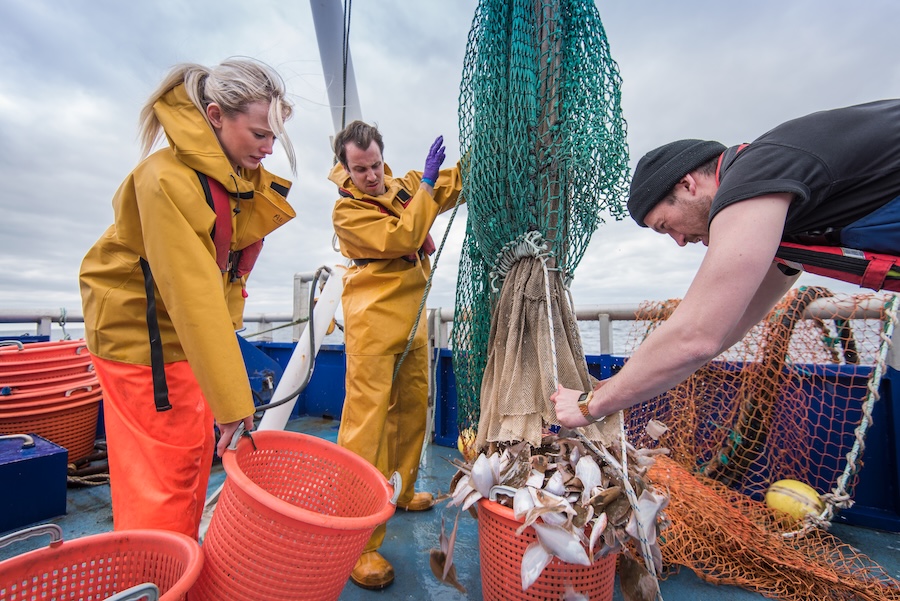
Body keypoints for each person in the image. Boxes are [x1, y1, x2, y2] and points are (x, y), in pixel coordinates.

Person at [552, 99, 900, 428]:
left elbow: (697, 336)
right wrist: (615, 387)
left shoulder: (756, 174)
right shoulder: (778, 221)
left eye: (666, 225)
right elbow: (730, 326)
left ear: (687, 185)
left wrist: (589, 406)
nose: (679, 241)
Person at [79, 58, 297, 539]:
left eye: (274, 137)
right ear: (216, 116)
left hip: (181, 336)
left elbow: (220, 279)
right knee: (164, 472)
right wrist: (234, 403)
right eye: (260, 134)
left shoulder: (231, 177)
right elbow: (193, 294)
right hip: (142, 340)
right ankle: (156, 569)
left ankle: (176, 555)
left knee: (193, 452)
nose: (269, 148)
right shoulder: (164, 180)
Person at [329, 120, 463, 590]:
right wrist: (426, 182)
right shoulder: (347, 212)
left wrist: (486, 150)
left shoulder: (406, 186)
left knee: (410, 408)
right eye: (359, 169)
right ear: (345, 169)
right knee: (365, 428)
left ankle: (401, 491)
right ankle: (358, 542)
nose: (371, 176)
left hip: (412, 319)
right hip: (371, 321)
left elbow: (451, 185)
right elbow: (405, 237)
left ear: (383, 158)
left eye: (375, 165)